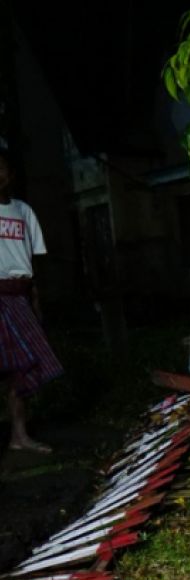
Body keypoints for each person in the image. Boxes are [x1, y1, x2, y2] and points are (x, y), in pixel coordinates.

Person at [0, 149, 61, 453]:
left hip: (20, 295)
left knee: (22, 368)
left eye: (2, 168)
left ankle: (19, 436)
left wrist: (36, 300)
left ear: (10, 174)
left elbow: (36, 262)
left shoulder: (23, 211)